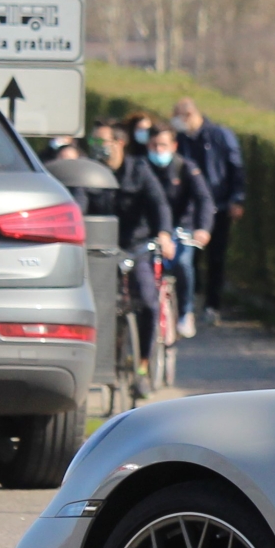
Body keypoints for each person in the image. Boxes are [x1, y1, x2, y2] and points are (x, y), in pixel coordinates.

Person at [102, 126, 177, 378]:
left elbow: (159, 203)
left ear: (120, 143)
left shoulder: (139, 170)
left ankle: (143, 362)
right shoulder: (92, 172)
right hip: (103, 250)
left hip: (137, 247)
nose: (100, 147)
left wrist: (164, 233)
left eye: (105, 141)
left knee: (147, 301)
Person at [170, 99, 244, 317]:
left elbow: (235, 168)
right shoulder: (181, 139)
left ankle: (213, 304)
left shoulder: (220, 135)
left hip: (219, 205)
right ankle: (189, 301)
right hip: (190, 208)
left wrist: (237, 199)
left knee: (216, 257)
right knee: (188, 257)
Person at [147, 126, 216, 339]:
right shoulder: (142, 168)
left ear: (174, 146)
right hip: (152, 230)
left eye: (163, 145)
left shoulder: (185, 168)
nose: (158, 150)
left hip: (181, 230)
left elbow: (204, 200)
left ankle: (186, 311)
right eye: (154, 145)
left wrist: (203, 229)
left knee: (184, 263)